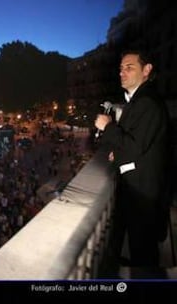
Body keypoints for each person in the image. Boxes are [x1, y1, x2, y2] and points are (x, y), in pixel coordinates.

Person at [95, 50, 172, 268]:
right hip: (137, 194)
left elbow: (135, 145)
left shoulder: (147, 102)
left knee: (144, 258)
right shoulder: (139, 100)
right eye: (121, 68)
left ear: (147, 70)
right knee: (137, 253)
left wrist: (107, 127)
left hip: (142, 197)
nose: (122, 72)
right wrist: (117, 153)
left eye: (129, 67)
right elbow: (138, 143)